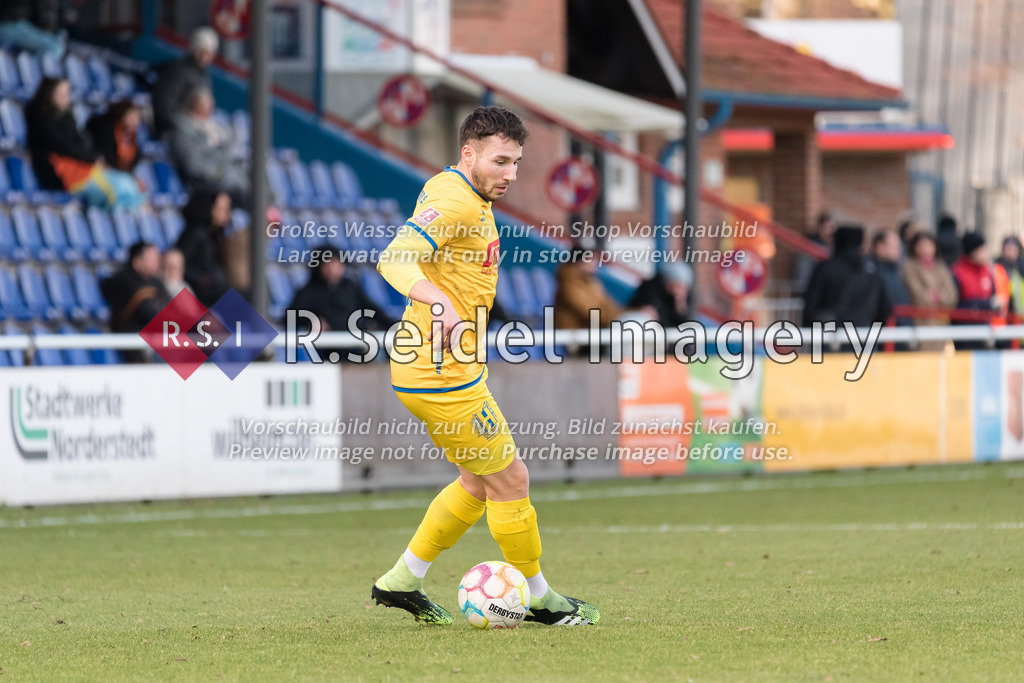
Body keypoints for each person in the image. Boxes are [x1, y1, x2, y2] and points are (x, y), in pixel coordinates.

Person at [372, 106, 599, 626]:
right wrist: (440, 304)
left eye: (516, 163)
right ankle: (541, 600)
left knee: (477, 483)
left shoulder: (463, 192)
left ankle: (401, 581)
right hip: (439, 374)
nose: (510, 175)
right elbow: (394, 258)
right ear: (468, 153)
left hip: (447, 368)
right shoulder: (454, 200)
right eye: (500, 161)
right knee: (512, 478)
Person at [25, 78, 145, 209]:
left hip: (83, 166)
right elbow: (62, 146)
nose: (67, 98)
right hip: (60, 172)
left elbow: (80, 141)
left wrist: (92, 157)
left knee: (130, 185)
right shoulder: (40, 119)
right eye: (62, 94)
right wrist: (92, 158)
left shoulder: (66, 116)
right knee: (116, 192)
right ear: (49, 94)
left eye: (67, 94)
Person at [167, 87, 249, 206]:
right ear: (194, 109)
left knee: (254, 182)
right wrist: (220, 171)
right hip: (205, 184)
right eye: (205, 111)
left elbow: (224, 155)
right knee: (244, 188)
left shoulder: (211, 130)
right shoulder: (181, 135)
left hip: (222, 176)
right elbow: (194, 167)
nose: (209, 115)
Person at [288, 245, 396, 333]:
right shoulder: (308, 292)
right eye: (329, 264)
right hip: (325, 350)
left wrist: (393, 326)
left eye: (338, 264)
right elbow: (291, 317)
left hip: (355, 344)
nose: (334, 269)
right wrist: (310, 321)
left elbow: (372, 310)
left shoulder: (349, 287)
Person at [801, 224, 892, 328]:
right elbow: (886, 308)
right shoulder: (872, 269)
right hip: (864, 336)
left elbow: (811, 304)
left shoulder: (826, 268)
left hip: (831, 337)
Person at [152, 27, 218, 137]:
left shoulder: (204, 75)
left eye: (209, 54)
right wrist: (188, 123)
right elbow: (164, 109)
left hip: (195, 124)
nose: (204, 58)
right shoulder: (178, 71)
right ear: (194, 50)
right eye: (201, 52)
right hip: (174, 130)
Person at [901, 232, 958, 351]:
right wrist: (936, 298)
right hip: (920, 322)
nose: (926, 249)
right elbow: (918, 295)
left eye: (929, 245)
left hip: (941, 322)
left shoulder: (941, 267)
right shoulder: (910, 267)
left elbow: (951, 296)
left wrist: (938, 297)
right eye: (921, 246)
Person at [100, 241, 170, 335]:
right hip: (129, 337)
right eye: (152, 259)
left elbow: (170, 304)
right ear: (137, 261)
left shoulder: (156, 282)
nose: (157, 262)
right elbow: (149, 313)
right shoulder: (126, 281)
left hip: (152, 335)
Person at [176, 190, 232, 307]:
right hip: (199, 297)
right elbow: (181, 263)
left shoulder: (214, 235)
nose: (227, 215)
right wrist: (202, 279)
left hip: (213, 295)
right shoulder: (196, 234)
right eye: (221, 209)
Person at [553, 245, 622, 329]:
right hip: (574, 335)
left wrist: (624, 315)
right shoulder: (568, 284)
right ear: (579, 262)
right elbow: (594, 315)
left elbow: (608, 306)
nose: (594, 263)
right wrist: (618, 317)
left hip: (592, 331)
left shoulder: (590, 281)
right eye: (591, 259)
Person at [627, 261, 693, 327]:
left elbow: (684, 322)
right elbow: (636, 306)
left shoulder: (686, 298)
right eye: (675, 285)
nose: (676, 290)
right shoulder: (652, 288)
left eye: (680, 287)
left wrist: (680, 304)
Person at [85, 100, 142, 173]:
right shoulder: (103, 127)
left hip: (118, 173)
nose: (135, 121)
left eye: (137, 117)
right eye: (131, 116)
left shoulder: (132, 137)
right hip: (98, 169)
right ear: (122, 114)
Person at [870, 228, 911, 325]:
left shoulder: (895, 272)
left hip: (900, 329)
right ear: (880, 247)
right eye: (893, 247)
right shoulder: (873, 273)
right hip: (886, 331)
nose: (898, 251)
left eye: (898, 247)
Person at [0, 0, 66, 59]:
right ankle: (32, 70)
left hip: (16, 23)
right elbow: (44, 19)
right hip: (10, 24)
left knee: (58, 43)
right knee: (53, 46)